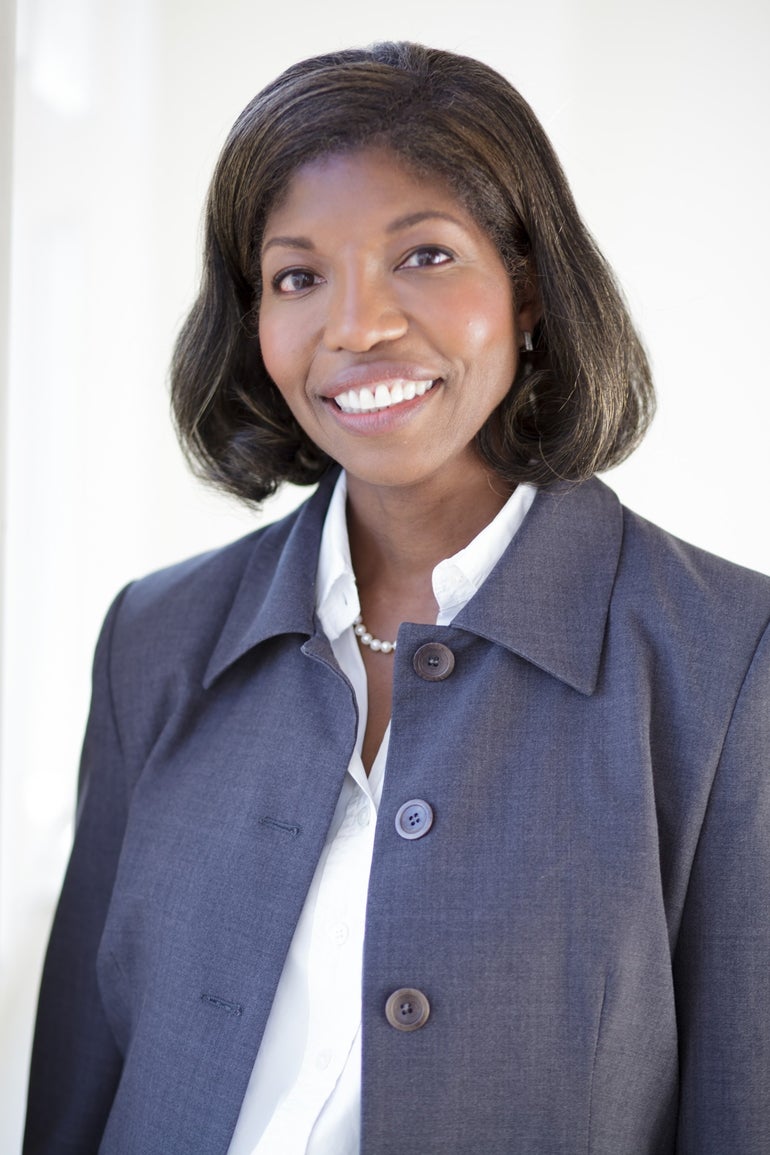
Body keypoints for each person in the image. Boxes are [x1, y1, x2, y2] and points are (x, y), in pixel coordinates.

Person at [24, 41, 770, 1155]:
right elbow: (76, 1091)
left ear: (528, 290)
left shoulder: (724, 660)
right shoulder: (156, 638)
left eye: (422, 255)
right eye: (296, 275)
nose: (355, 326)